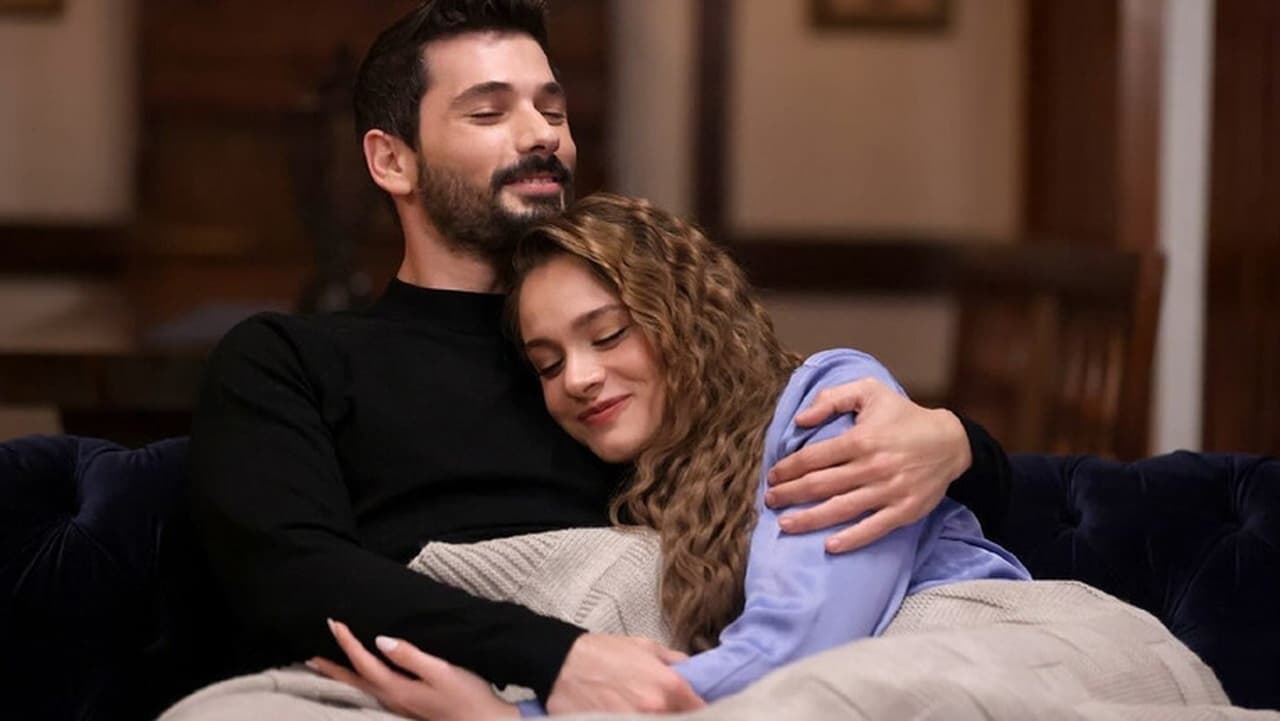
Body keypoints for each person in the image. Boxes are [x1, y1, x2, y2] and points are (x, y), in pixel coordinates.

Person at [183, 0, 1013, 715]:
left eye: (552, 108)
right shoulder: (292, 359)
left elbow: (800, 467)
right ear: (391, 159)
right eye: (489, 112)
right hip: (463, 680)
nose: (540, 133)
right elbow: (289, 570)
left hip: (668, 676)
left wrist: (959, 445)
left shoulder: (651, 342)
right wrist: (557, 657)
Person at [308, 193, 1030, 720]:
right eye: (547, 363)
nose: (578, 378)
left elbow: (797, 649)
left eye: (608, 334)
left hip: (988, 661)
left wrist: (512, 717)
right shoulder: (647, 486)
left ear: (686, 318)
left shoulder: (829, 401)